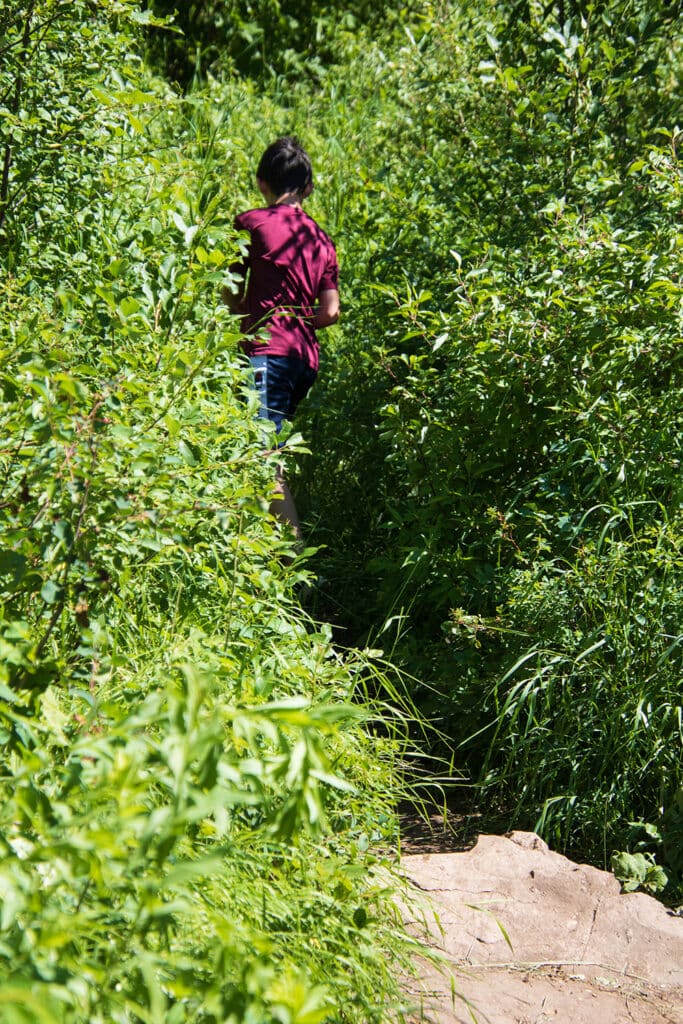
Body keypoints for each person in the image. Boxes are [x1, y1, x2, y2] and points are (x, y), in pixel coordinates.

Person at [223, 136, 340, 548]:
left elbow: (229, 285)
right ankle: (259, 553)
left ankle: (293, 564)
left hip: (266, 353)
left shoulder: (251, 222)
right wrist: (295, 315)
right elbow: (329, 312)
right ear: (308, 188)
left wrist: (247, 322)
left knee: (262, 458)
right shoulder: (322, 241)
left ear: (261, 182)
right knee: (260, 448)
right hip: (303, 360)